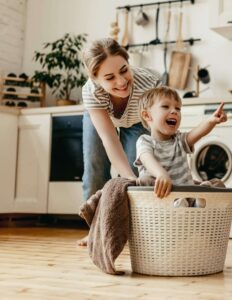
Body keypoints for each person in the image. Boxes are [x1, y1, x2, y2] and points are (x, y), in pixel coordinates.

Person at [78, 38, 162, 245]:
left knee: (137, 172)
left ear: (128, 61)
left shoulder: (150, 83)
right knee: (94, 166)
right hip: (102, 116)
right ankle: (96, 231)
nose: (121, 81)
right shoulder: (91, 92)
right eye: (109, 77)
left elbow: (160, 132)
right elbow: (109, 139)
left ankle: (133, 232)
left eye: (124, 70)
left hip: (137, 121)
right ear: (96, 80)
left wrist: (134, 177)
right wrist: (127, 177)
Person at [135, 87, 227, 205]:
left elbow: (197, 132)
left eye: (178, 108)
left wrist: (212, 121)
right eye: (165, 106)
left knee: (217, 183)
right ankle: (184, 204)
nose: (174, 111)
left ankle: (198, 201)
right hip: (161, 199)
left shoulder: (179, 140)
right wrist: (161, 174)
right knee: (144, 181)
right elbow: (147, 159)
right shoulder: (144, 141)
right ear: (147, 115)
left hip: (188, 195)